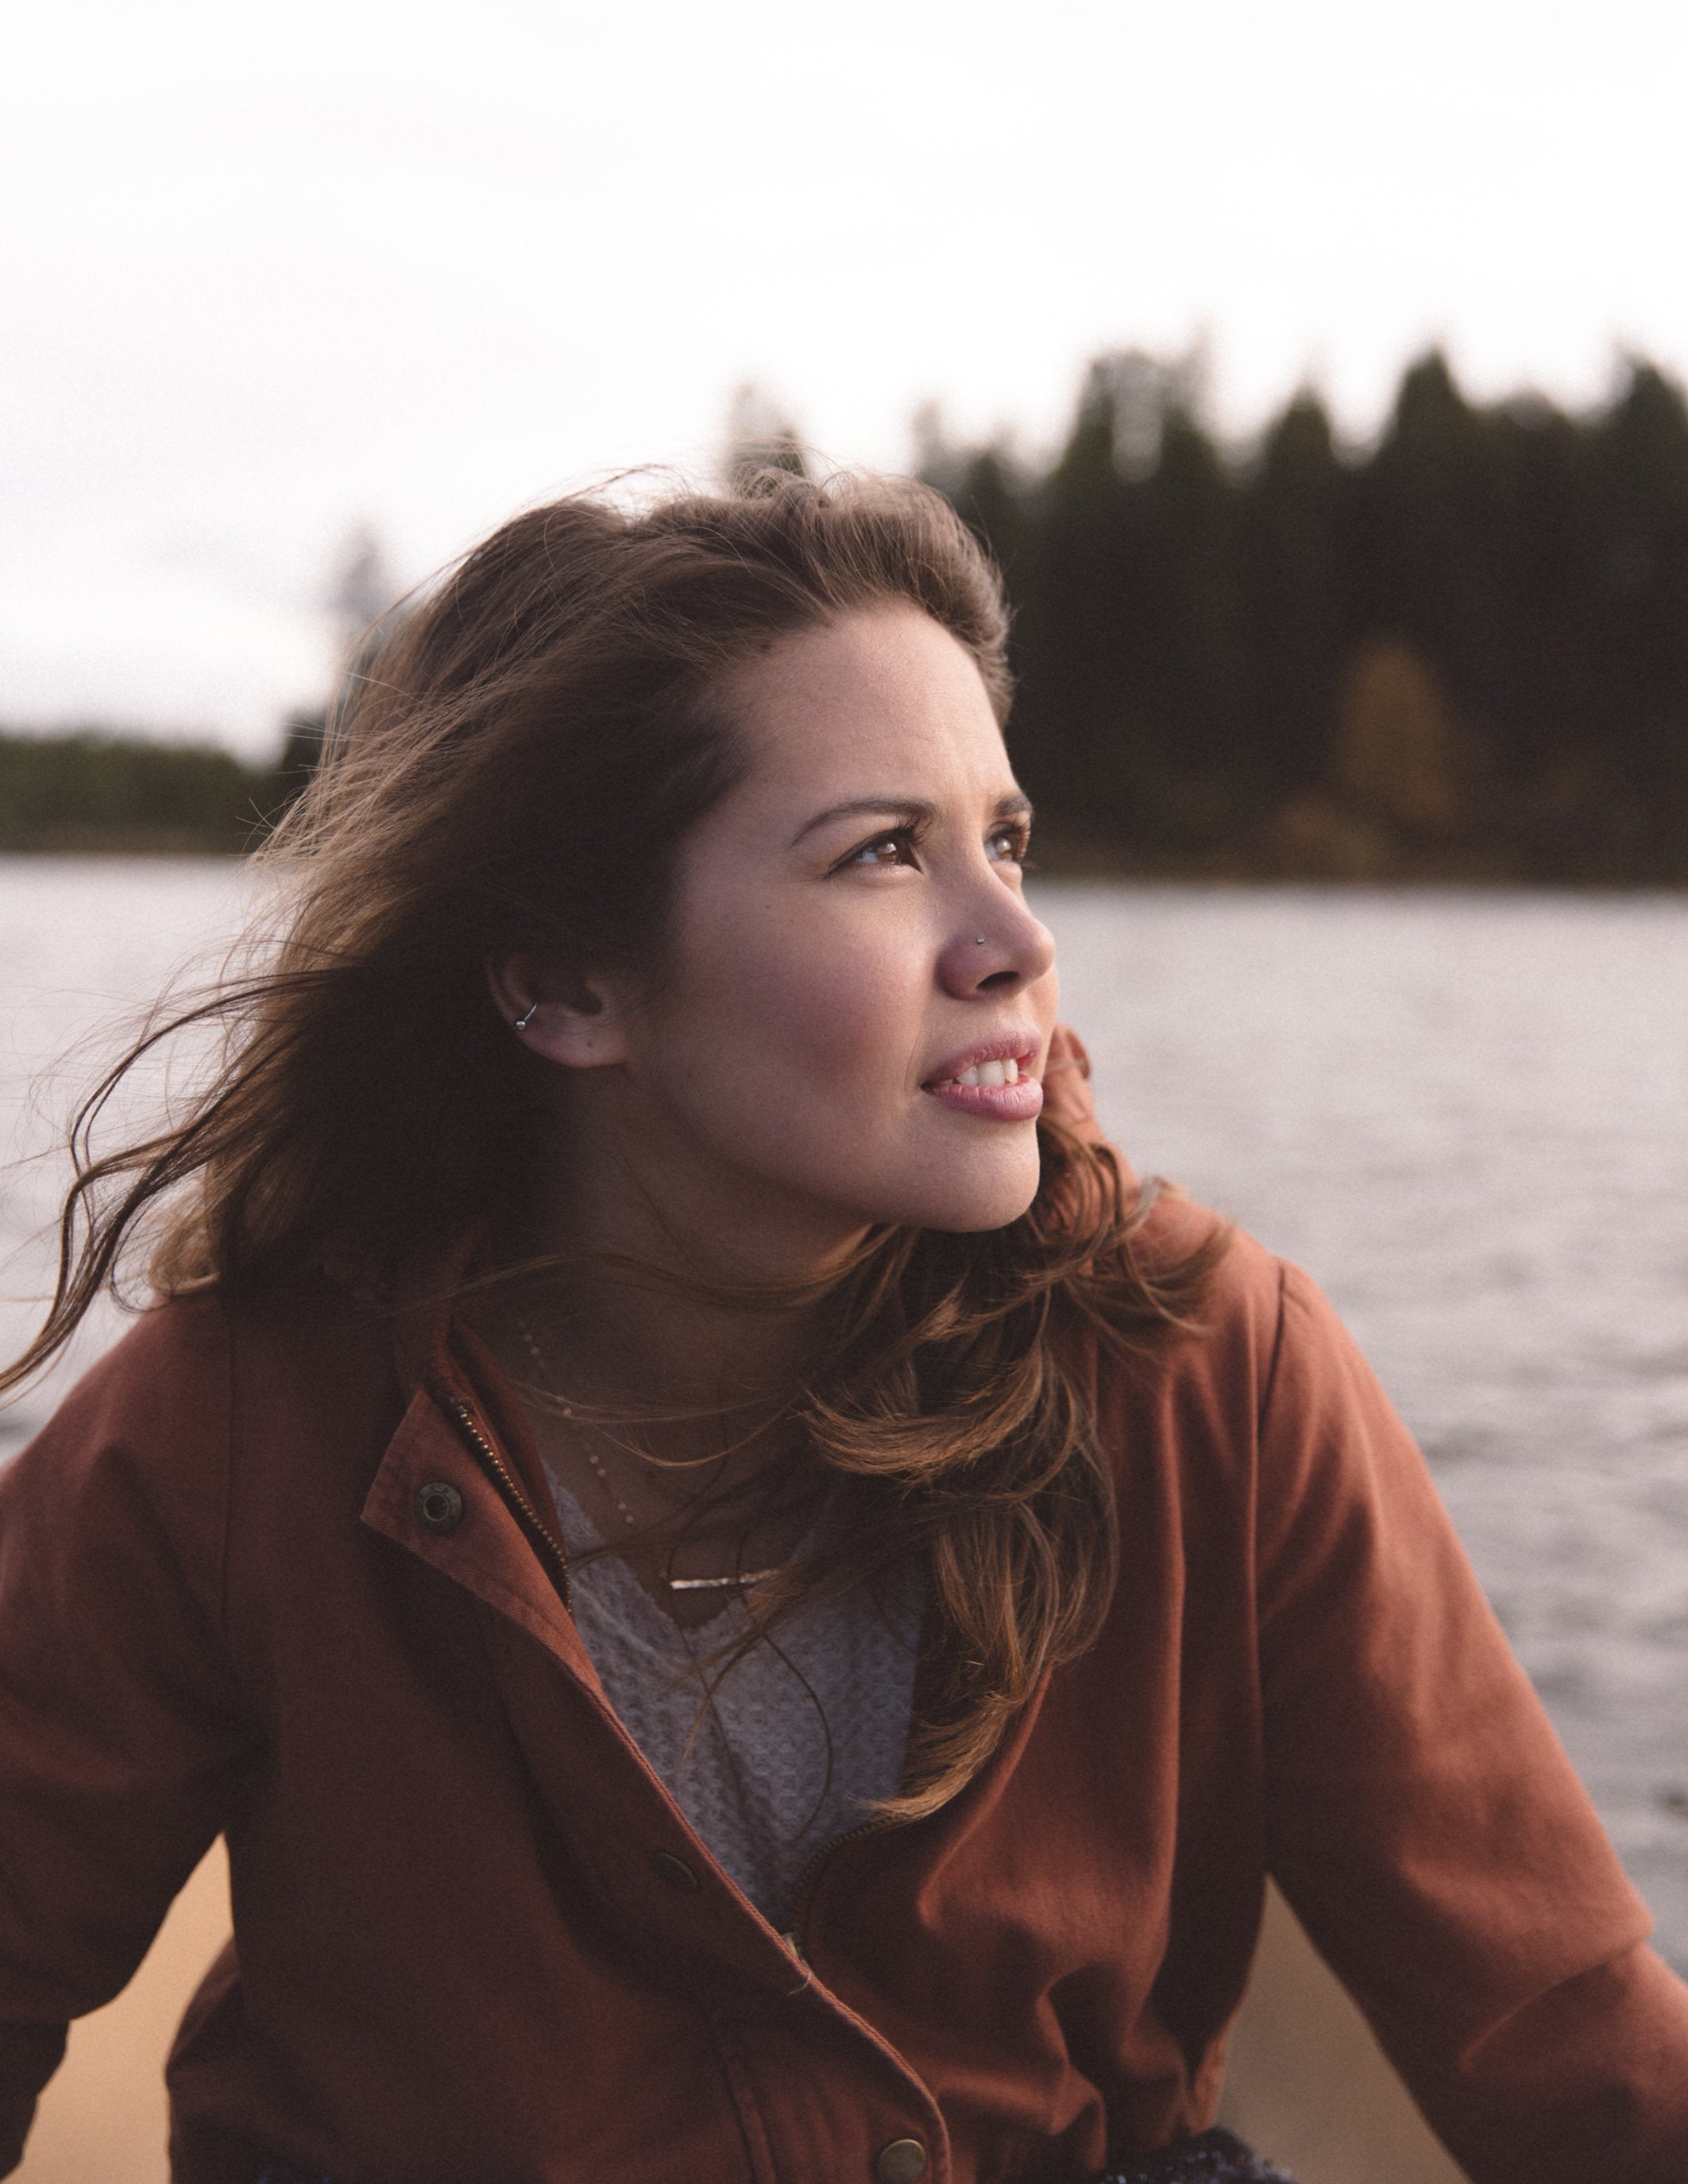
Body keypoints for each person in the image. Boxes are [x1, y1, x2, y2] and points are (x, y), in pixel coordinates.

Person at [0, 473, 1684, 2184]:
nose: (1017, 941)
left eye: (1004, 839)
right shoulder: (240, 1422)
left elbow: (1564, 2043)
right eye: (882, 853)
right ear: (569, 982)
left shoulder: (1207, 1364)